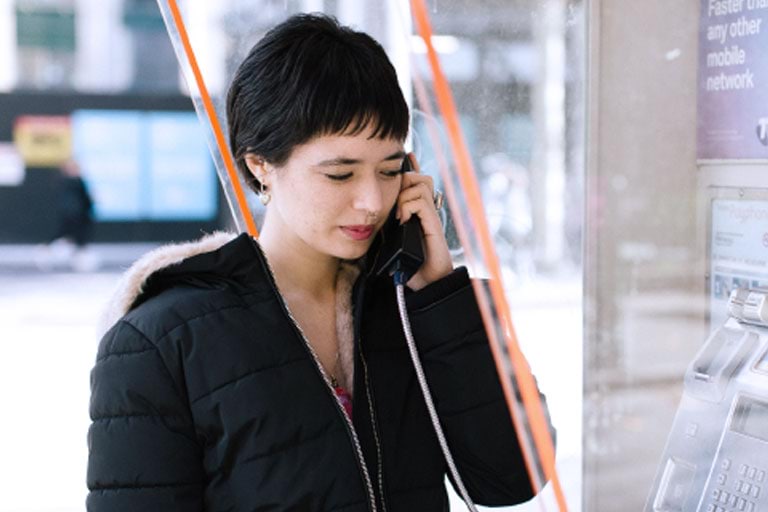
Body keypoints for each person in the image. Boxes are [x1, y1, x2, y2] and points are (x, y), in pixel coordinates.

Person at [86, 13, 550, 511]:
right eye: (340, 174)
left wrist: (439, 295)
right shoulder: (163, 342)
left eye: (391, 169)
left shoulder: (407, 309)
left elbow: (514, 478)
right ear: (260, 165)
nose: (372, 201)